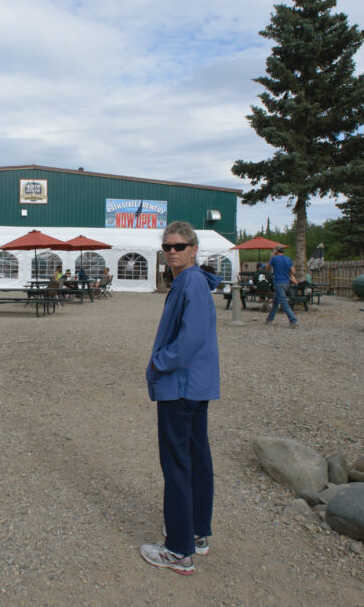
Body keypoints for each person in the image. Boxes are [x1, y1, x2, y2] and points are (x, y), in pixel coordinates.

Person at [140, 220, 221, 576]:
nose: (172, 251)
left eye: (179, 246)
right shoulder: (191, 282)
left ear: (194, 249)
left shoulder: (191, 282)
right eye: (167, 246)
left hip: (182, 386)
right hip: (194, 385)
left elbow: (190, 339)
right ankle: (196, 533)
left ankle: (177, 550)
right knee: (196, 457)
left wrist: (160, 362)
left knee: (178, 465)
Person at [264, 244, 298, 327]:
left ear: (276, 251)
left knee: (283, 302)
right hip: (286, 282)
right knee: (275, 302)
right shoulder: (288, 259)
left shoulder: (274, 258)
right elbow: (293, 272)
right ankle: (269, 319)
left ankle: (293, 320)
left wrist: (271, 258)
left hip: (278, 282)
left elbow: (267, 268)